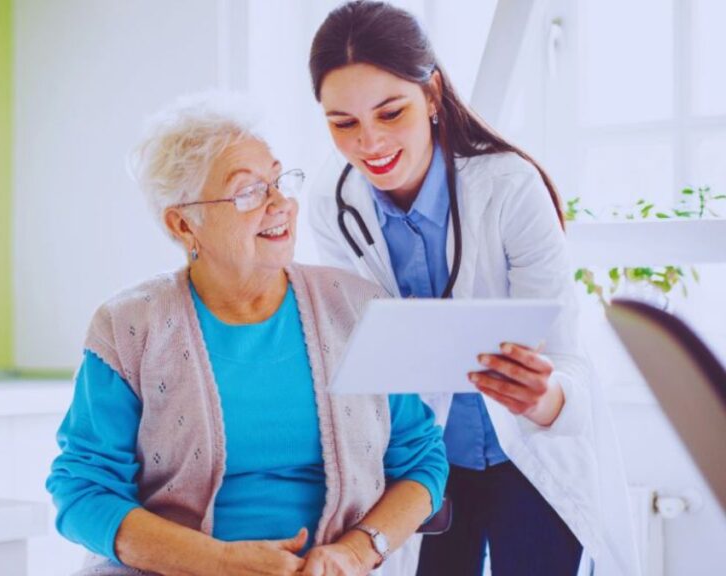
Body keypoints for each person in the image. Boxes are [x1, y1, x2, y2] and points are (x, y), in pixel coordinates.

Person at [46, 94, 448, 575]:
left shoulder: (359, 308)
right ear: (183, 223)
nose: (280, 204)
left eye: (278, 181)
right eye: (248, 192)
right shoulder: (130, 326)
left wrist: (355, 552)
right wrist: (212, 561)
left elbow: (422, 459)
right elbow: (83, 491)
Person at [305, 2, 641, 575]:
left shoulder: (510, 188)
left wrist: (543, 397)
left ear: (432, 94)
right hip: (423, 466)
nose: (370, 144)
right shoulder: (333, 205)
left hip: (530, 461)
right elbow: (362, 352)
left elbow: (564, 359)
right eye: (344, 123)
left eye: (390, 113)